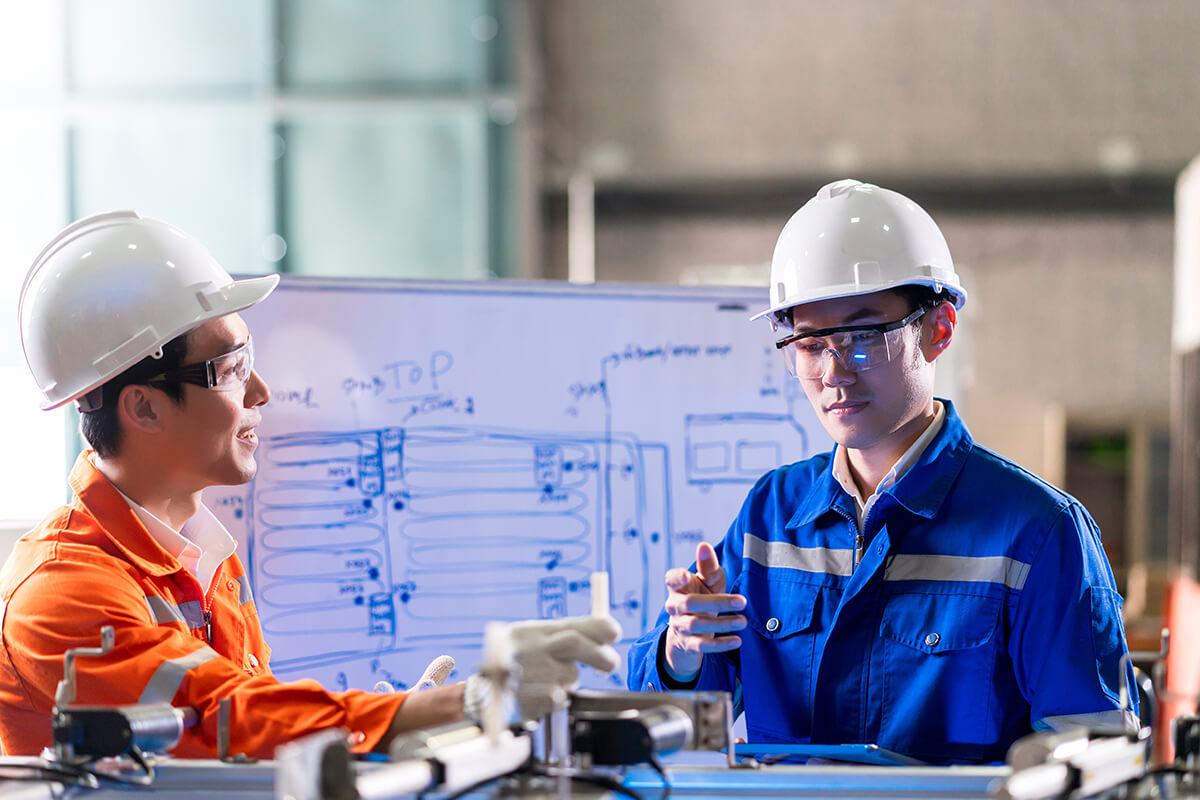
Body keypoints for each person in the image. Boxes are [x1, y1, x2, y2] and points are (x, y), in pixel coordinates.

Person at [0, 210, 620, 758]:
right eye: (231, 369)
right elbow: (219, 719)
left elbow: (257, 728)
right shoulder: (64, 595)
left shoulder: (204, 561)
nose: (261, 392)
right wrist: (464, 703)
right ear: (144, 408)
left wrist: (386, 729)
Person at [627, 179, 1137, 764]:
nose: (834, 372)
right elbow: (683, 731)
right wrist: (682, 650)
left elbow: (1094, 758)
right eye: (809, 343)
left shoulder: (1037, 532)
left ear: (938, 329)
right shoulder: (772, 516)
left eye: (862, 337)